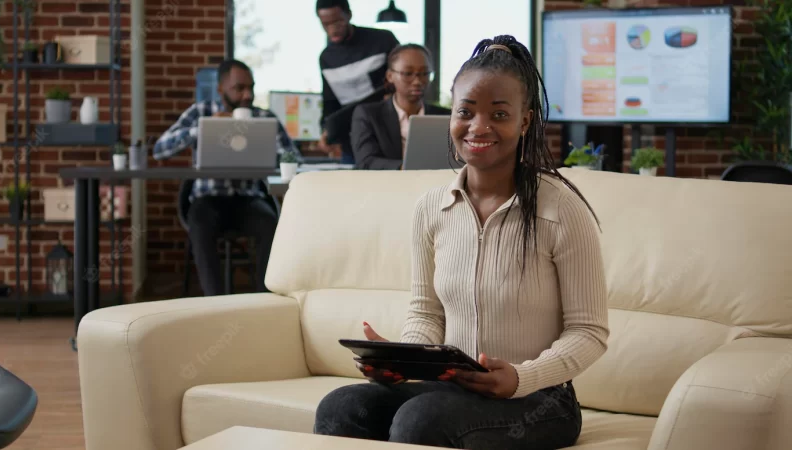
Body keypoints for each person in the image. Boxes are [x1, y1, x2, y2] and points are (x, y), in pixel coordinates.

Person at [313, 35, 609, 449]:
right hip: (456, 391)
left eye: (499, 114)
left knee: (421, 420)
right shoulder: (432, 208)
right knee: (342, 407)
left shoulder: (560, 209)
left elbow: (589, 331)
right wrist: (401, 359)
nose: (478, 127)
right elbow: (425, 314)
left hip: (543, 399)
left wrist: (522, 378)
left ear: (524, 122)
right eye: (465, 112)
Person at [153, 59, 299, 296]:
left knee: (271, 223)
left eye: (250, 88)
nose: (247, 95)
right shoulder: (200, 112)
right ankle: (216, 303)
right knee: (199, 224)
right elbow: (160, 149)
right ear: (221, 89)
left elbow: (293, 156)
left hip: (248, 199)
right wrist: (201, 128)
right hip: (208, 199)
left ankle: (267, 301)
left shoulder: (263, 117)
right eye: (239, 88)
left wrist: (267, 148)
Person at [316, 0, 400, 164]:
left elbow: (405, 77)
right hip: (352, 140)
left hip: (388, 134)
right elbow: (330, 102)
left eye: (337, 21)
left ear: (349, 15)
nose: (332, 29)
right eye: (326, 24)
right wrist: (326, 131)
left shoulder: (383, 40)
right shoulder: (326, 58)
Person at [351, 44, 451, 170]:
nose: (417, 81)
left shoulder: (445, 117)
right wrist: (406, 168)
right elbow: (366, 161)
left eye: (424, 73)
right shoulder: (369, 115)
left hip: (436, 186)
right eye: (408, 73)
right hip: (387, 186)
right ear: (390, 76)